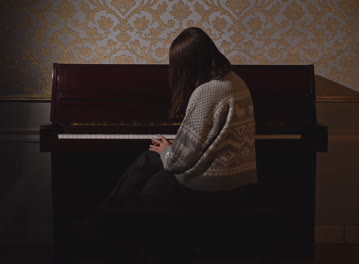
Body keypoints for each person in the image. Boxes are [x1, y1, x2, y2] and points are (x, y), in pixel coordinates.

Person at [102, 27, 258, 210]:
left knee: (148, 188)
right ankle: (107, 214)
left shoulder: (206, 92)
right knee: (149, 158)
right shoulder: (236, 81)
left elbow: (177, 163)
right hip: (237, 175)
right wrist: (168, 149)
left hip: (210, 181)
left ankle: (108, 220)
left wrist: (167, 150)